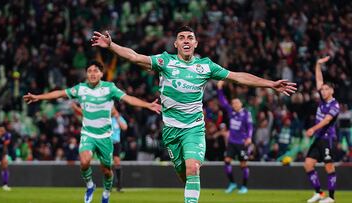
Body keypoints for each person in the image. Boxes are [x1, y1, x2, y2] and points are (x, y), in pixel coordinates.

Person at [91, 26, 296, 203]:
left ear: (196, 44)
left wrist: (270, 84)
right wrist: (111, 45)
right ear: (176, 44)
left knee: (192, 168)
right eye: (182, 38)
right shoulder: (165, 61)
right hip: (171, 131)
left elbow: (237, 77)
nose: (186, 41)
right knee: (184, 173)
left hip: (194, 129)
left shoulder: (205, 66)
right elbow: (135, 57)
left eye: (190, 38)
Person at [23, 60, 161, 203]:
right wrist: (37, 97)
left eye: (96, 71)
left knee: (107, 171)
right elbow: (59, 93)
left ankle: (106, 192)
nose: (92, 74)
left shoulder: (109, 88)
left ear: (101, 74)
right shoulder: (81, 88)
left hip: (106, 137)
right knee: (84, 162)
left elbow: (129, 99)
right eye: (89, 71)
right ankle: (90, 186)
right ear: (86, 74)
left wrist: (147, 105)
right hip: (88, 134)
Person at [304, 56, 340, 203]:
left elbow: (327, 120)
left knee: (329, 167)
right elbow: (319, 79)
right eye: (322, 89)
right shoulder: (323, 99)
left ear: (332, 91)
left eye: (326, 89)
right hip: (318, 138)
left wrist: (313, 128)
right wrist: (318, 65)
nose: (323, 91)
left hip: (327, 139)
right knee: (308, 165)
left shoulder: (334, 105)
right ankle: (319, 193)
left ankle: (331, 198)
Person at [217, 81, 253, 194]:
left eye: (237, 103)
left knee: (243, 165)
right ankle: (232, 183)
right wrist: (219, 88)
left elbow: (250, 127)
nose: (235, 105)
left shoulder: (246, 113)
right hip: (232, 141)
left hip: (242, 142)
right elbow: (222, 102)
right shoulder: (231, 111)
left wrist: (249, 137)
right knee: (227, 161)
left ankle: (244, 187)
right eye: (233, 103)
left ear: (241, 104)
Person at [0, 124, 12, 191]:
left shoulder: (7, 136)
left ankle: (5, 185)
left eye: (3, 130)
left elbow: (5, 146)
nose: (1, 131)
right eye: (0, 130)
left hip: (2, 152)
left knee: (5, 165)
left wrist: (4, 156)